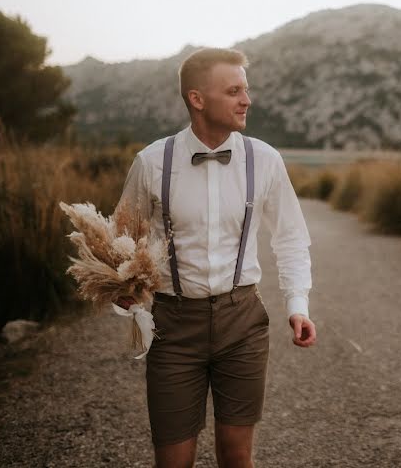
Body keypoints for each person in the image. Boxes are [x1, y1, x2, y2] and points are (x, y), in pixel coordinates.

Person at [114, 47, 316, 468]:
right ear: (197, 99)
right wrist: (123, 289)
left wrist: (298, 305)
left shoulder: (265, 160)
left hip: (242, 323)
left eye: (246, 89)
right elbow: (121, 240)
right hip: (172, 328)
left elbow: (291, 238)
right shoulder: (151, 162)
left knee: (237, 458)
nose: (247, 100)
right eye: (234, 91)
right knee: (173, 460)